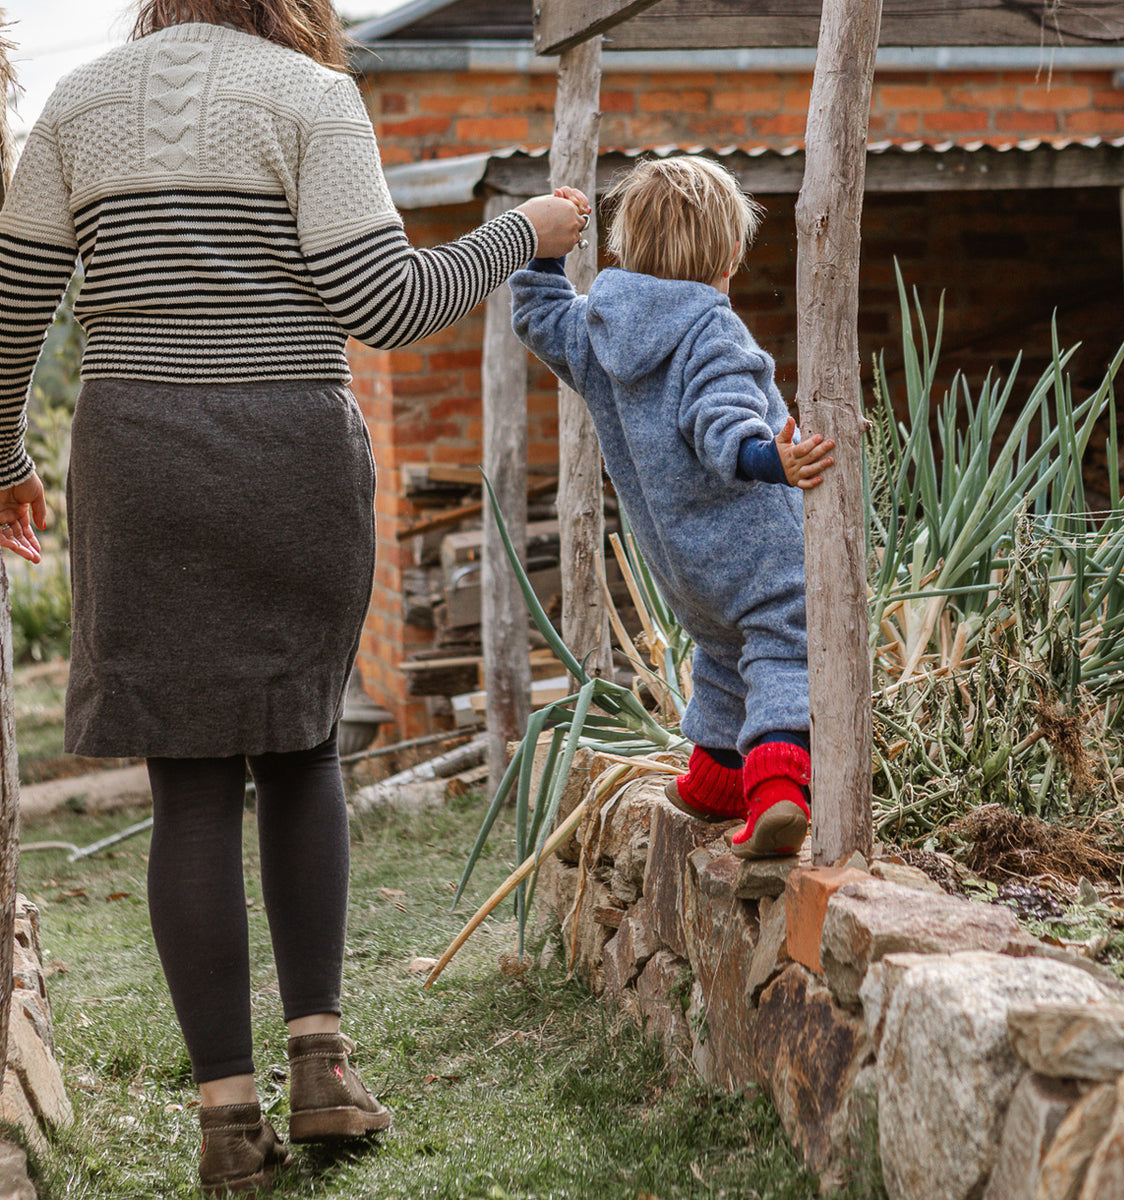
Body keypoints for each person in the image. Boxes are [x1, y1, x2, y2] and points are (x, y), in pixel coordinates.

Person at [0, 1, 588, 1192]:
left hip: (139, 460)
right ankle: (321, 1067)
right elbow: (384, 306)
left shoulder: (76, 106)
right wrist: (524, 230)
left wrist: (6, 458)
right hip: (289, 456)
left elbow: (10, 311)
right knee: (303, 746)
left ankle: (227, 1123)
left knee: (189, 786)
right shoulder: (313, 99)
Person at [511, 157, 834, 860]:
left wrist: (542, 253)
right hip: (757, 548)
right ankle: (778, 790)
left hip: (681, 565)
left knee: (722, 654)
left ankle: (717, 780)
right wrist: (769, 456)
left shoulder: (598, 331)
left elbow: (540, 317)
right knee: (783, 642)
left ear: (626, 248)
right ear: (732, 255)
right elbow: (725, 419)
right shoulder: (711, 331)